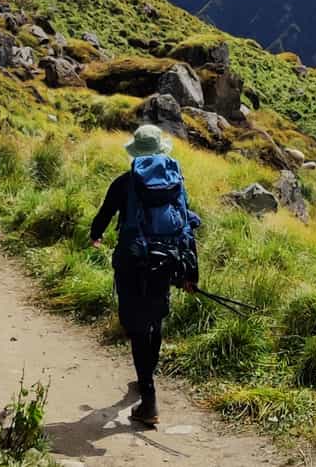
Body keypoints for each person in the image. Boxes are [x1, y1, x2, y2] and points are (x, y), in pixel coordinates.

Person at [89, 124, 200, 427]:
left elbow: (104, 214)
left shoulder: (124, 183)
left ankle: (148, 397)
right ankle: (146, 377)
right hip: (167, 261)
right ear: (161, 152)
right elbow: (187, 228)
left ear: (136, 153)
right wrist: (192, 274)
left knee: (135, 326)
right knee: (154, 319)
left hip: (133, 261)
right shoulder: (175, 182)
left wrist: (95, 235)